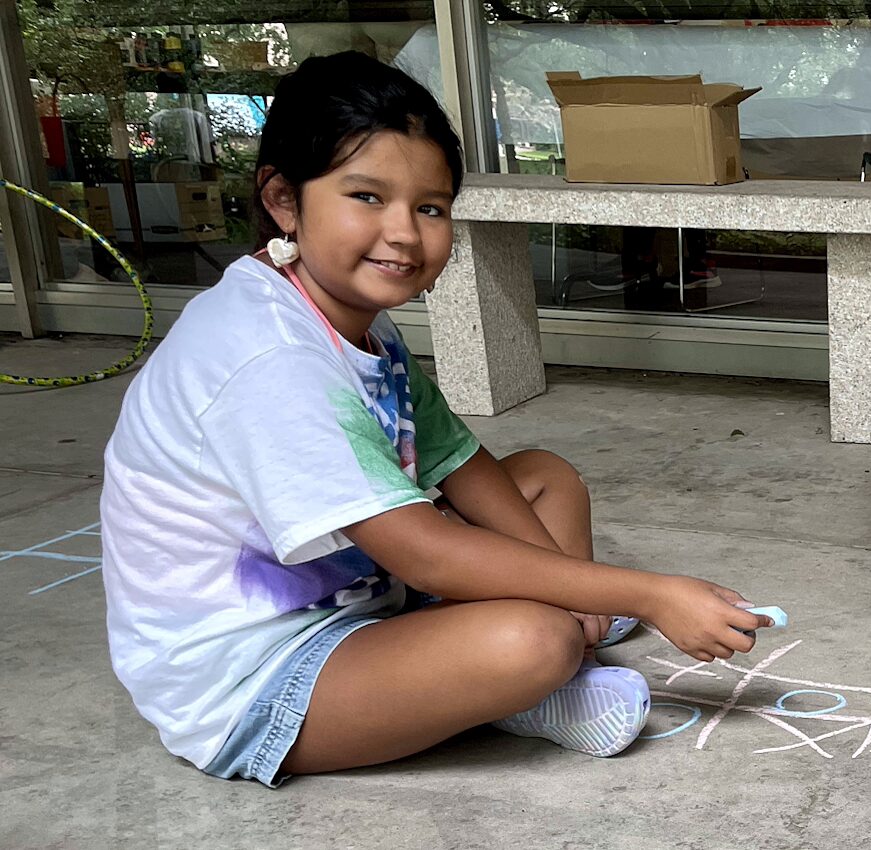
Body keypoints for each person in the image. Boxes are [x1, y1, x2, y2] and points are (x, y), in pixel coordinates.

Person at [99, 51, 772, 788]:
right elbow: (423, 555)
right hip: (261, 679)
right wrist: (644, 593)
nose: (404, 234)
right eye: (366, 196)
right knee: (533, 640)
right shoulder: (267, 356)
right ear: (284, 199)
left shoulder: (347, 312)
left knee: (543, 477)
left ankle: (513, 661)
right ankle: (534, 684)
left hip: (370, 601)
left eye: (431, 207)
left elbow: (460, 461)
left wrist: (580, 587)